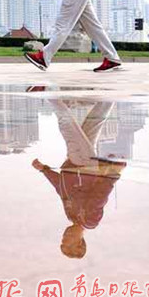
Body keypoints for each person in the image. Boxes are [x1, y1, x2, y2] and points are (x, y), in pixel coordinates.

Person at [32, 99, 127, 259]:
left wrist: (44, 170)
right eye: (67, 240)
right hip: (84, 165)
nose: (64, 236)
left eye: (62, 240)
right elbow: (100, 196)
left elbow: (62, 190)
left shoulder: (71, 216)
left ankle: (109, 97)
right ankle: (50, 94)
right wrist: (113, 174)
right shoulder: (90, 220)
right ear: (79, 242)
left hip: (74, 164)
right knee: (67, 127)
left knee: (93, 122)